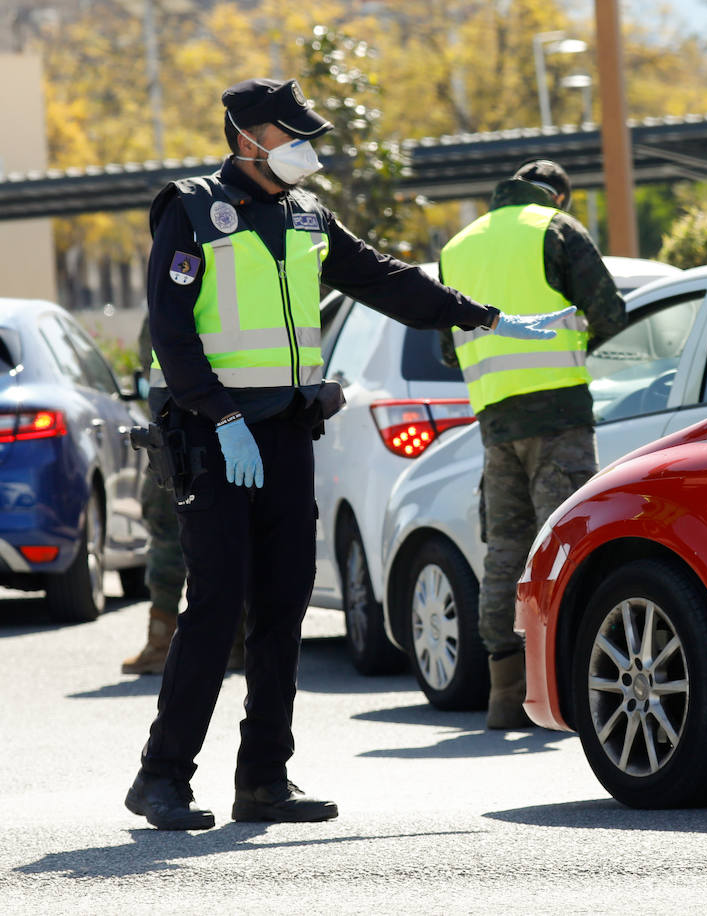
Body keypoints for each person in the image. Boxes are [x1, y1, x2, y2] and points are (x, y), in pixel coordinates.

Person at [126, 77, 571, 832]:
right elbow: (171, 330)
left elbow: (386, 281)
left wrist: (485, 318)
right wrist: (222, 415)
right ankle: (162, 776)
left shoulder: (307, 217)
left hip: (285, 434)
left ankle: (264, 778)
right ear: (247, 138)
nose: (305, 150)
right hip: (214, 434)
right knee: (216, 606)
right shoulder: (193, 209)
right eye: (291, 135)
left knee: (283, 604)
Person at [438, 158, 626, 729]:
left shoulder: (457, 247)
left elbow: (449, 351)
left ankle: (505, 694)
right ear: (558, 197)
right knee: (567, 547)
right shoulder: (557, 229)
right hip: (560, 415)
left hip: (495, 421)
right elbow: (610, 315)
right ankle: (570, 689)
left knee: (506, 551)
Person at [121, 317, 245, 676]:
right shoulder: (239, 296)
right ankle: (236, 643)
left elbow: (155, 369)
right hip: (236, 430)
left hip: (180, 438)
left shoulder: (169, 299)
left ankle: (162, 642)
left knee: (168, 540)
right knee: (234, 538)